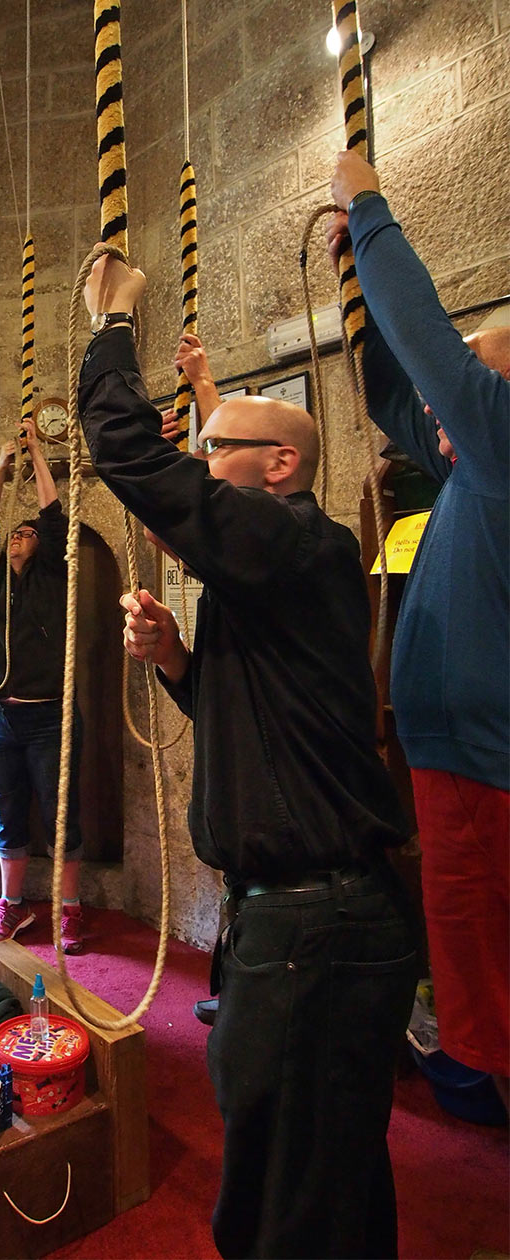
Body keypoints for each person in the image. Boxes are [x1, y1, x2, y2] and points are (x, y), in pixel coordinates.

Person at [78, 242, 417, 1260]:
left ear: (276, 468)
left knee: (280, 1201)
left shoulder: (295, 542)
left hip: (314, 928)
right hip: (310, 919)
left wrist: (111, 326)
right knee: (330, 1170)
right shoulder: (272, 573)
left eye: (215, 447)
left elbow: (135, 462)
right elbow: (263, 718)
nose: (199, 462)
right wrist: (181, 661)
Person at [328, 149, 509, 1105]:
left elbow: (432, 350)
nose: (453, 402)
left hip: (492, 777)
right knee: (487, 1010)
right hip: (464, 770)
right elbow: (404, 395)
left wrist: (368, 208)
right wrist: (355, 286)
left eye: (478, 382)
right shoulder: (470, 476)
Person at [0, 418, 86, 953]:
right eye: (15, 534)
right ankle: (12, 908)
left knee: (61, 810)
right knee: (7, 811)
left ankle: (71, 910)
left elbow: (53, 515)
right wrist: (0, 465)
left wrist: (36, 453)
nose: (20, 536)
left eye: (28, 534)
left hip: (49, 716)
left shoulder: (53, 577)